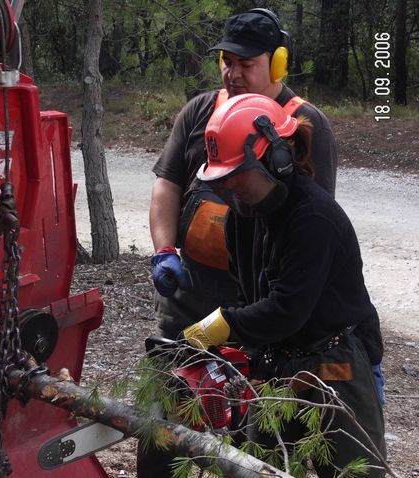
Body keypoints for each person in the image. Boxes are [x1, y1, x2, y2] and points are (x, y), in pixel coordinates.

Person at [140, 9, 338, 476]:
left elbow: (309, 226)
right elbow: (167, 183)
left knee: (253, 442)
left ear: (277, 63)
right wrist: (165, 250)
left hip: (259, 310)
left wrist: (266, 312)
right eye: (227, 61)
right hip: (189, 301)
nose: (233, 72)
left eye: (246, 63)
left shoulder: (303, 126)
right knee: (162, 434)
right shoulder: (200, 111)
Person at [182, 93, 386, 477]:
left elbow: (287, 309)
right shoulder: (242, 217)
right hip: (279, 360)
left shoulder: (314, 218)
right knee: (255, 466)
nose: (228, 187)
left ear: (277, 157)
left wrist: (219, 324)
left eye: (237, 172)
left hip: (335, 362)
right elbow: (249, 294)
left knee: (353, 473)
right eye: (222, 177)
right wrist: (238, 354)